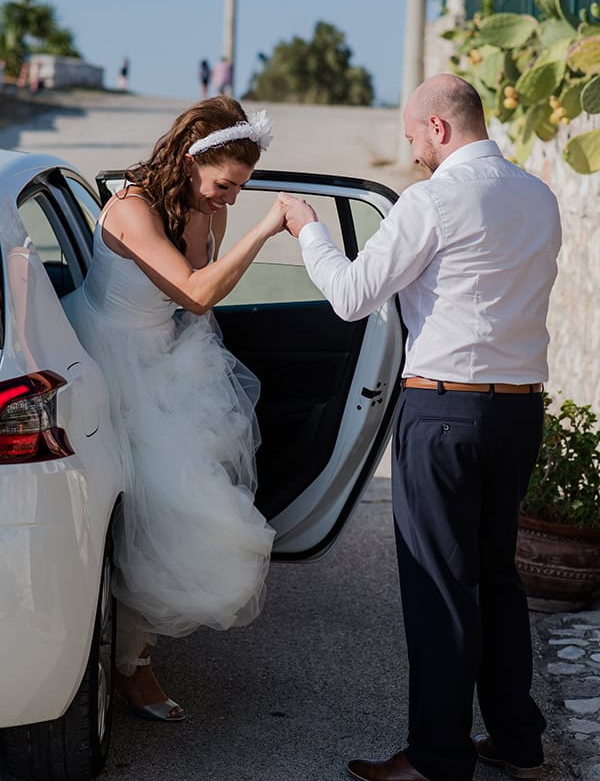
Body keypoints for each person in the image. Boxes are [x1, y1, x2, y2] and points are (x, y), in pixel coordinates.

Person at [281, 73, 561, 781]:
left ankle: (438, 755)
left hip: (445, 410)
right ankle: (518, 740)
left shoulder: (431, 201)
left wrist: (308, 229)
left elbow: (350, 295)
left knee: (439, 583)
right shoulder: (539, 196)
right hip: (519, 407)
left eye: (412, 138)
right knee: (498, 576)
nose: (412, 155)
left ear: (438, 127)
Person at [63, 96, 286, 722]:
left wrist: (196, 373)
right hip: (109, 361)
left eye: (242, 191)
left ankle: (128, 653)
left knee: (180, 511)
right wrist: (266, 229)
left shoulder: (205, 211)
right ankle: (128, 666)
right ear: (193, 161)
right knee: (142, 509)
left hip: (164, 363)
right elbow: (193, 292)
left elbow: (198, 311)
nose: (231, 201)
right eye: (225, 185)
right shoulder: (133, 209)